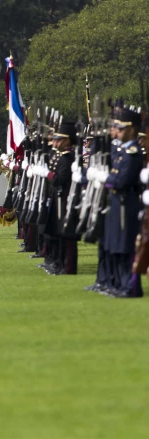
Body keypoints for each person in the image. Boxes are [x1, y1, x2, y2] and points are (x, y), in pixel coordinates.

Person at [89, 104, 143, 297]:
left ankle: (131, 287)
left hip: (126, 205)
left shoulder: (133, 153)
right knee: (115, 247)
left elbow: (121, 181)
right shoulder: (121, 152)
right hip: (116, 204)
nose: (117, 131)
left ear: (132, 129)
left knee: (125, 248)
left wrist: (104, 177)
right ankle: (119, 284)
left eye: (121, 128)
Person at [34, 121, 78, 275]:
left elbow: (61, 179)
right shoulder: (62, 156)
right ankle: (60, 263)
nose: (54, 142)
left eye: (58, 139)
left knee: (66, 236)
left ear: (67, 140)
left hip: (65, 199)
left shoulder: (67, 158)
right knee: (58, 234)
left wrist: (47, 174)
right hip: (58, 197)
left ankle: (68, 266)